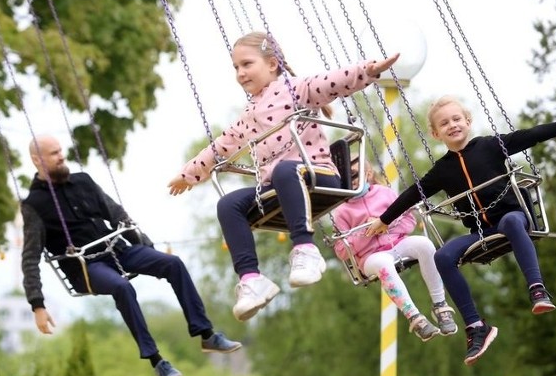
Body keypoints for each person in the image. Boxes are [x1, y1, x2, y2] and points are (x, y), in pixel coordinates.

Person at [168, 31, 400, 321]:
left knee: (284, 170)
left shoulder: (297, 89)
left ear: (272, 64)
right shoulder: (249, 112)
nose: (240, 73)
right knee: (228, 205)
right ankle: (252, 280)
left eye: (247, 64)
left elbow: (333, 81)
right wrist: (188, 174)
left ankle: (305, 249)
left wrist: (369, 70)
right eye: (236, 68)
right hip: (277, 186)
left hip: (318, 175)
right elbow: (223, 144)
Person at [366, 95, 556, 365]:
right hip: (480, 232)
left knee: (514, 223)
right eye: (445, 123)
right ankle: (475, 326)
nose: (453, 125)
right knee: (442, 257)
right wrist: (385, 219)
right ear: (436, 134)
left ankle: (537, 288)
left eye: (457, 119)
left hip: (510, 218)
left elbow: (532, 135)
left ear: (468, 122)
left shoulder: (492, 146)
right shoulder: (442, 171)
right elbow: (412, 194)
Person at [21, 135, 242, 376]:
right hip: (86, 268)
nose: (61, 156)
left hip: (117, 250)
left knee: (173, 263)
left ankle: (206, 334)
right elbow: (29, 258)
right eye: (54, 153)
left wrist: (143, 244)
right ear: (37, 160)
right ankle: (157, 360)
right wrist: (37, 305)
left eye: (61, 150)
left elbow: (115, 213)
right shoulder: (34, 205)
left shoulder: (82, 181)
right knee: (122, 287)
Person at [331, 161, 458, 341]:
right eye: (343, 179)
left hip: (397, 242)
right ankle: (414, 317)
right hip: (370, 257)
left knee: (425, 244)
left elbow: (409, 221)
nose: (350, 182)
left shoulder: (385, 193)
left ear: (367, 174)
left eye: (353, 175)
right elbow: (342, 252)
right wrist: (367, 231)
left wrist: (385, 224)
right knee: (383, 264)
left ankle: (440, 304)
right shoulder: (341, 211)